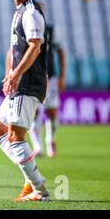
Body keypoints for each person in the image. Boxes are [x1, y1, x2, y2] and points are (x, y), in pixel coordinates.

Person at [0, 0, 50, 202]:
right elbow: (14, 49)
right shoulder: (20, 11)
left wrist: (16, 75)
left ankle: (39, 189)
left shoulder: (31, 12)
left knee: (15, 137)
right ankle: (30, 173)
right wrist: (9, 74)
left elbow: (35, 46)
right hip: (19, 82)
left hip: (28, 83)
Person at [29, 23, 66, 158]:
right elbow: (12, 52)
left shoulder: (51, 31)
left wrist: (62, 76)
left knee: (52, 112)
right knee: (35, 112)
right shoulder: (24, 28)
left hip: (50, 78)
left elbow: (60, 52)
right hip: (32, 79)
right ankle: (37, 146)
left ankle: (50, 139)